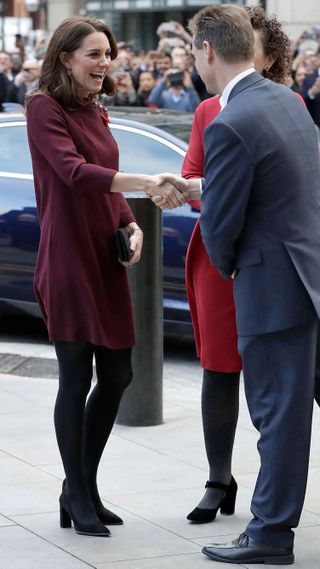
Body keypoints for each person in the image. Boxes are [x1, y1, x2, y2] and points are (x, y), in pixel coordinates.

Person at [154, 3, 320, 564]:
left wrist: (228, 266)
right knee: (290, 414)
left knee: (276, 417)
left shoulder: (230, 120)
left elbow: (221, 228)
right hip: (307, 277)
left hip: (271, 287)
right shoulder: (287, 102)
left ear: (205, 52)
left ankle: (271, 535)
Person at [26, 16, 183, 538]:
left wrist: (131, 223)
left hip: (106, 257)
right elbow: (73, 172)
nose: (106, 63)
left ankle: (81, 487)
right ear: (65, 57)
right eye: (94, 53)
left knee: (118, 376)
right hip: (68, 260)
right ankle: (77, 490)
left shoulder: (97, 109)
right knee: (75, 379)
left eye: (109, 53)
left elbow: (107, 184)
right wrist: (148, 181)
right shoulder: (42, 107)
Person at [181, 5, 296, 526]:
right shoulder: (209, 111)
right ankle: (218, 478)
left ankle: (271, 501)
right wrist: (209, 193)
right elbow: (193, 178)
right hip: (218, 259)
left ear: (269, 57)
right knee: (219, 370)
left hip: (263, 255)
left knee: (274, 382)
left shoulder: (286, 103)